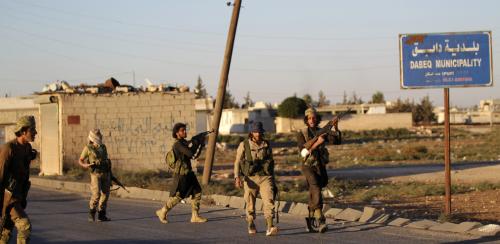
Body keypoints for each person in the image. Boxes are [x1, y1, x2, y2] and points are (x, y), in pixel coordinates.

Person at [296, 108, 341, 233]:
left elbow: (336, 141)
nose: (311, 120)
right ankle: (320, 219)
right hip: (308, 166)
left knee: (315, 189)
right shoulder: (302, 133)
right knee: (315, 187)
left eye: (314, 118)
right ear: (306, 120)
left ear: (317, 119)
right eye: (309, 118)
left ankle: (311, 220)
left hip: (320, 165)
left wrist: (335, 127)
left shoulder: (322, 131)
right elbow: (303, 152)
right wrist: (317, 142)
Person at [155, 123, 207, 224]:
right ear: (177, 133)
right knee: (178, 196)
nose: (185, 132)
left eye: (185, 130)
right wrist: (197, 142)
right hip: (182, 175)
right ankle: (163, 211)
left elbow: (194, 155)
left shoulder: (184, 143)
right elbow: (191, 154)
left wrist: (200, 142)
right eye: (182, 130)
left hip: (189, 173)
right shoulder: (178, 145)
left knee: (197, 192)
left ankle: (195, 216)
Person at [234, 121, 278, 236]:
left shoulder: (267, 144)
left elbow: (271, 162)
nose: (257, 134)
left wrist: (273, 179)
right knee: (250, 203)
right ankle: (251, 223)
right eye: (255, 132)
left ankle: (270, 226)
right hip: (250, 178)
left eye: (259, 132)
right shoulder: (244, 145)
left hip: (265, 177)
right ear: (251, 132)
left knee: (269, 200)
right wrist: (237, 177)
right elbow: (237, 162)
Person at [0, 115, 37, 244]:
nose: (35, 133)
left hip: (19, 196)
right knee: (25, 226)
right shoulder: (8, 149)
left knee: (5, 233)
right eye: (32, 130)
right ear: (23, 131)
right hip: (8, 199)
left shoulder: (27, 148)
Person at [79, 129, 112, 222]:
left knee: (105, 194)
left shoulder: (103, 147)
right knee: (96, 194)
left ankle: (102, 214)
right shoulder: (88, 148)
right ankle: (92, 211)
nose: (99, 137)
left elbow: (106, 160)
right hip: (95, 174)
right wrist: (85, 165)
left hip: (106, 173)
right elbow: (80, 160)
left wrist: (111, 175)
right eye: (97, 136)